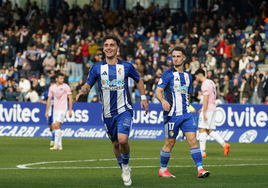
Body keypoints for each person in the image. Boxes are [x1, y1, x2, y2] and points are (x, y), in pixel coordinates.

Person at [76, 35, 148, 186]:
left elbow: (139, 80)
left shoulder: (126, 67)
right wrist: (83, 91)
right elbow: (88, 84)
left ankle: (126, 167)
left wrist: (143, 98)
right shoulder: (97, 68)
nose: (109, 48)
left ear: (117, 48)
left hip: (124, 110)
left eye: (112, 45)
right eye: (106, 45)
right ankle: (122, 166)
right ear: (103, 48)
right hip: (107, 113)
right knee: (115, 143)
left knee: (123, 140)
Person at [155, 46, 210, 179]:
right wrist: (162, 100)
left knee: (193, 141)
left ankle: (200, 169)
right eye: (173, 56)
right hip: (172, 115)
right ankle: (163, 169)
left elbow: (187, 95)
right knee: (170, 143)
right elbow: (157, 92)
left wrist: (189, 107)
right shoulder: (167, 74)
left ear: (184, 58)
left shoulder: (188, 77)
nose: (175, 59)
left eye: (178, 56)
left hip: (186, 115)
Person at [194, 69, 230, 157]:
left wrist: (204, 112)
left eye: (196, 77)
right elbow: (212, 96)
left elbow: (206, 99)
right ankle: (224, 144)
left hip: (208, 109)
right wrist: (202, 109)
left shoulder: (204, 84)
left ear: (200, 75)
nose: (196, 80)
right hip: (213, 108)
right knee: (209, 131)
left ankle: (202, 152)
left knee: (201, 129)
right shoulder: (211, 82)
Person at [45, 72, 73, 150]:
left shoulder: (65, 86)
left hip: (62, 108)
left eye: (63, 78)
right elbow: (49, 99)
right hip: (55, 109)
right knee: (56, 127)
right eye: (61, 78)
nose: (62, 80)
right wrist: (47, 110)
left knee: (57, 125)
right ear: (56, 79)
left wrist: (70, 109)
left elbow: (70, 97)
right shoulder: (52, 88)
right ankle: (60, 145)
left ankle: (56, 145)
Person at [41, 80, 56, 148]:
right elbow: (41, 101)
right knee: (50, 126)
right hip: (49, 112)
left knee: (53, 125)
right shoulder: (46, 93)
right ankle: (54, 135)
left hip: (55, 111)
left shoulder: (57, 93)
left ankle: (53, 140)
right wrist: (47, 103)